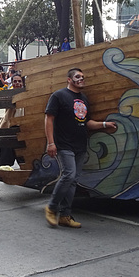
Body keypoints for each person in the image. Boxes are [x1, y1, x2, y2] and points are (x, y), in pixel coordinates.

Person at [44, 68, 117, 228]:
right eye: (78, 76)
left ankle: (65, 215)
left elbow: (87, 122)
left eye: (83, 77)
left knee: (73, 180)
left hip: (80, 145)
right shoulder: (58, 96)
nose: (81, 79)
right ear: (69, 80)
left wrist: (104, 124)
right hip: (64, 144)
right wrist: (51, 142)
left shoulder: (83, 99)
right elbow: (49, 119)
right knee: (69, 175)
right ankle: (51, 207)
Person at [0, 73, 25, 167]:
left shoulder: (27, 94)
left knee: (23, 154)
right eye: (15, 81)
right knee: (6, 154)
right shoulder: (9, 94)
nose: (17, 83)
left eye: (19, 81)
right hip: (9, 126)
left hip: (23, 127)